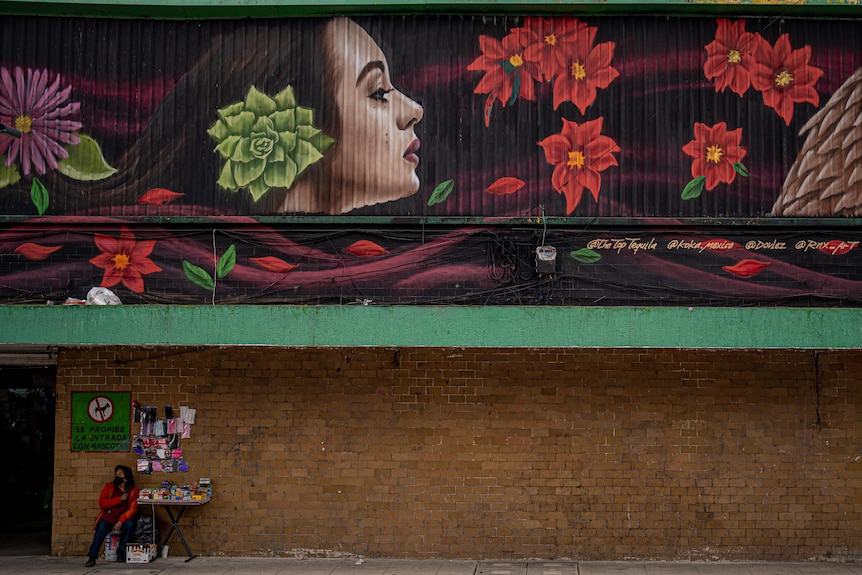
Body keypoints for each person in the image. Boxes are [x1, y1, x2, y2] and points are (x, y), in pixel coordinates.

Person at [85, 464, 139, 567]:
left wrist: (121, 521)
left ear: (126, 478)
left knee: (131, 524)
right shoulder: (109, 487)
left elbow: (133, 509)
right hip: (109, 517)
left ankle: (121, 550)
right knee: (101, 527)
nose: (117, 476)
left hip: (123, 518)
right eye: (116, 474)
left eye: (120, 474)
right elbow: (102, 503)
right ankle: (92, 556)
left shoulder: (133, 491)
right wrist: (119, 499)